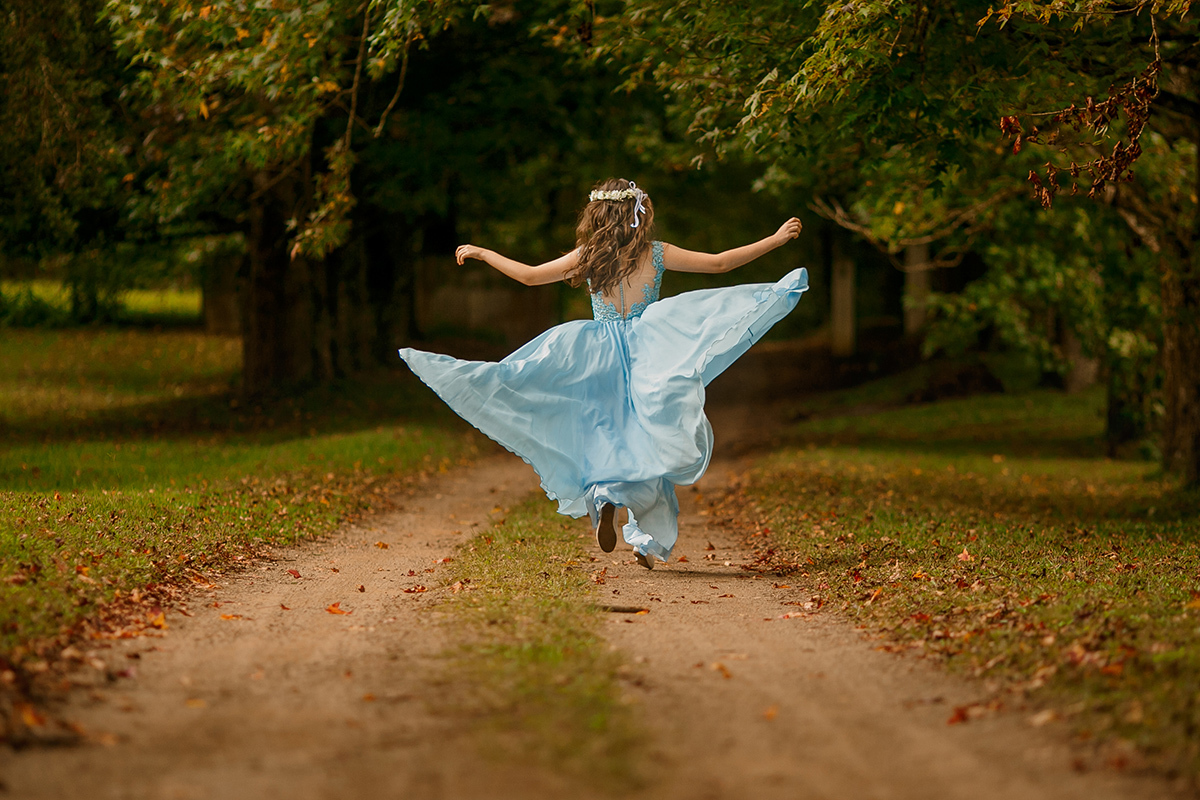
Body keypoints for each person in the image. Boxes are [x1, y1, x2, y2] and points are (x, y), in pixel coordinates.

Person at [399, 178, 808, 569]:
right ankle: (646, 540)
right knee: (649, 441)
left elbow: (528, 276)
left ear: (596, 215)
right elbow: (719, 265)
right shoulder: (656, 253)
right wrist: (774, 240)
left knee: (606, 433)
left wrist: (484, 252)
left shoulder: (589, 255)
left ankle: (606, 493)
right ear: (638, 211)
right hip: (650, 350)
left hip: (596, 353)